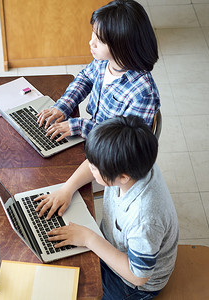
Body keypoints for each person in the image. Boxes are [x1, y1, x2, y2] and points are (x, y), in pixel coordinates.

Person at [36, 116, 178, 300]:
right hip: (111, 245)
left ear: (123, 177)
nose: (91, 169)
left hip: (131, 284)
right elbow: (93, 163)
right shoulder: (136, 161)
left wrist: (88, 238)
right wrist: (67, 189)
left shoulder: (144, 218)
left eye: (95, 169)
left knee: (65, 290)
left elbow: (139, 276)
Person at [37, 0, 160, 141]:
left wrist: (79, 125)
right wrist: (63, 106)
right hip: (94, 137)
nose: (91, 42)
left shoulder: (143, 94)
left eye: (100, 40)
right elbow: (85, 78)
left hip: (110, 155)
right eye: (93, 33)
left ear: (122, 45)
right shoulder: (103, 61)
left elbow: (123, 141)